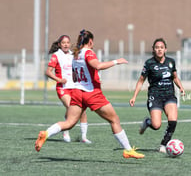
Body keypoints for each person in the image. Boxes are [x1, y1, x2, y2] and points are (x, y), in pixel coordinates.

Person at [35, 30, 144, 159]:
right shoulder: (88, 52)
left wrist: (92, 78)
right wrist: (116, 61)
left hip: (76, 92)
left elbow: (75, 77)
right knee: (114, 120)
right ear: (90, 41)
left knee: (69, 122)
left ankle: (46, 133)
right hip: (91, 93)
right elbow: (97, 66)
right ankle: (128, 150)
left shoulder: (75, 54)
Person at [129, 38, 185, 153]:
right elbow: (141, 81)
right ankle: (147, 122)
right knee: (156, 125)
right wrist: (134, 96)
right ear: (153, 50)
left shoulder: (170, 62)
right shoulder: (149, 63)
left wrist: (181, 87)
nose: (159, 50)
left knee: (173, 121)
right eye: (157, 48)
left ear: (165, 49)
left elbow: (175, 77)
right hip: (155, 96)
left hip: (169, 95)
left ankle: (163, 145)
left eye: (161, 47)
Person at [46, 35, 91, 144]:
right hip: (63, 88)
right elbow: (48, 72)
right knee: (72, 108)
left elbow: (78, 70)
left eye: (67, 42)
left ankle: (84, 137)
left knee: (82, 111)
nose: (66, 44)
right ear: (59, 45)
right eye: (63, 43)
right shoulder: (56, 56)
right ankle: (65, 131)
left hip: (75, 87)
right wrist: (59, 80)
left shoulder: (73, 55)